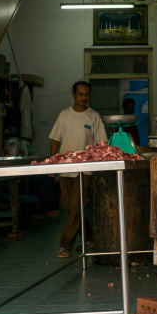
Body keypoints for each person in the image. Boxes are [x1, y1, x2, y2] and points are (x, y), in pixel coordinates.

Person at [49, 80, 107, 258]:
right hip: (65, 167)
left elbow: (101, 144)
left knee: (76, 207)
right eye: (80, 94)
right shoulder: (64, 115)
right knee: (69, 206)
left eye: (86, 95)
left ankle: (65, 245)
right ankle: (90, 237)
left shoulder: (94, 116)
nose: (84, 98)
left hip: (85, 169)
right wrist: (52, 164)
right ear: (73, 95)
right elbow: (55, 140)